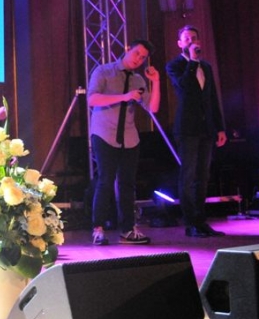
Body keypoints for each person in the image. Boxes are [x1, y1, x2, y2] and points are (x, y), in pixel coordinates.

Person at [87, 40, 161, 246]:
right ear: (128, 49)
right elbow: (92, 99)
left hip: (129, 137)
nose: (139, 59)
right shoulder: (104, 71)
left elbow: (153, 108)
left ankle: (128, 229)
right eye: (137, 53)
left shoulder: (138, 79)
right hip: (104, 133)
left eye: (143, 57)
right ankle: (98, 228)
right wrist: (124, 96)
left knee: (127, 183)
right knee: (105, 180)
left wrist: (156, 82)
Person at [166, 25, 227, 238]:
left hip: (206, 128)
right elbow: (184, 87)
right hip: (187, 128)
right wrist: (192, 62)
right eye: (187, 38)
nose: (191, 41)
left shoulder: (206, 67)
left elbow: (212, 98)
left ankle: (201, 221)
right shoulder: (174, 65)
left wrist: (220, 127)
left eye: (194, 38)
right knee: (188, 175)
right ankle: (190, 222)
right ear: (180, 43)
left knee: (203, 176)